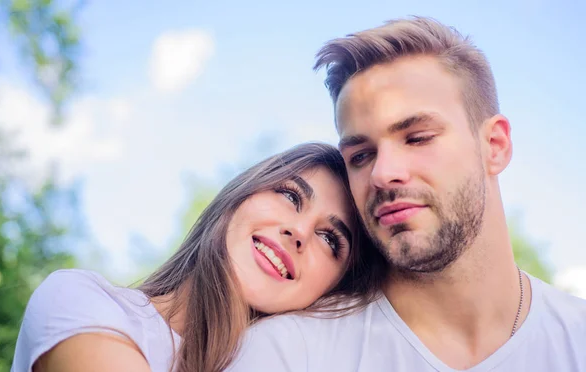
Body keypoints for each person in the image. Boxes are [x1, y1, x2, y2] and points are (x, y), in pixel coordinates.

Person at [226, 16, 586, 372]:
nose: (382, 174)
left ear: (494, 145)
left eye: (417, 138)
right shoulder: (288, 353)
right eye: (361, 156)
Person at [11, 143, 383, 372]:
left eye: (330, 239)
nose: (299, 232)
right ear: (240, 195)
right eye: (290, 196)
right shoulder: (79, 300)